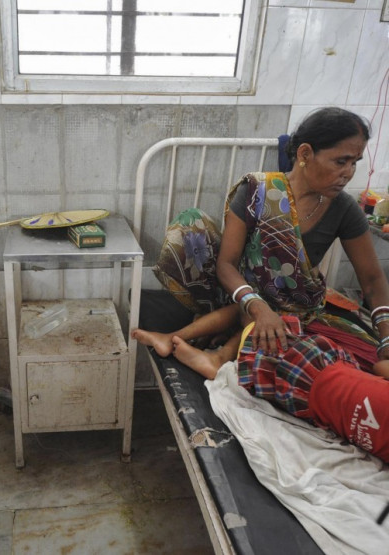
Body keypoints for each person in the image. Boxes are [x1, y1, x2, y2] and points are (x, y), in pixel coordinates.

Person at [138, 107, 389, 376]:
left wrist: (386, 336)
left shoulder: (344, 209)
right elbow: (226, 265)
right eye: (341, 161)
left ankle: (222, 340)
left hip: (297, 308)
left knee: (349, 364)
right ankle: (223, 336)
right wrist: (258, 307)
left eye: (355, 162)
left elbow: (373, 280)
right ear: (305, 154)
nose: (349, 173)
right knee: (271, 334)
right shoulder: (257, 193)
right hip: (241, 295)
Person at [164, 312, 389, 463]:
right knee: (259, 318)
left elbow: (380, 366)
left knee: (252, 316)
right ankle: (215, 347)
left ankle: (209, 354)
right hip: (303, 406)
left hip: (307, 365)